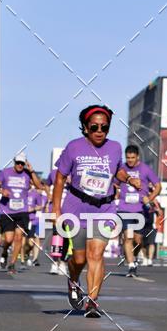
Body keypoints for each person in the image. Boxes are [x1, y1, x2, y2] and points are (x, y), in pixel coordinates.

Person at [52, 105, 128, 318]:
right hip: (76, 206)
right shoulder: (74, 147)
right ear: (85, 128)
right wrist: (56, 210)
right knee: (79, 258)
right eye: (94, 127)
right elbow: (59, 178)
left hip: (104, 207)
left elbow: (118, 170)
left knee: (96, 254)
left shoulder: (115, 148)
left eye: (104, 127)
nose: (99, 131)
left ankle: (92, 302)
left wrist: (129, 178)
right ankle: (73, 280)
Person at [116, 144, 161, 276]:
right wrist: (115, 193)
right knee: (128, 237)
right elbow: (114, 184)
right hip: (124, 209)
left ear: (138, 157)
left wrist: (150, 198)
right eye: (128, 157)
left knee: (138, 240)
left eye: (132, 157)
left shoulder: (146, 169)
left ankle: (133, 258)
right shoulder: (122, 169)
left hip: (141, 210)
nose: (130, 160)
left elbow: (158, 186)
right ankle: (131, 266)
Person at [0, 153, 45, 273]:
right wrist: (2, 190)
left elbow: (39, 186)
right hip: (7, 209)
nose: (20, 165)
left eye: (22, 163)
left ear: (25, 164)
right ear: (14, 162)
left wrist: (32, 171)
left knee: (19, 238)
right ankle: (4, 253)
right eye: (18, 163)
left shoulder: (28, 174)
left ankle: (12, 264)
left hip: (22, 210)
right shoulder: (5, 172)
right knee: (8, 239)